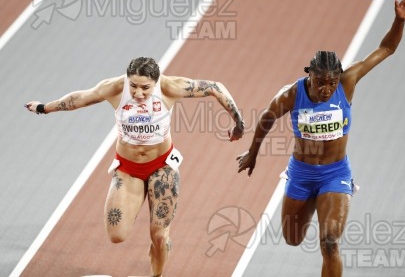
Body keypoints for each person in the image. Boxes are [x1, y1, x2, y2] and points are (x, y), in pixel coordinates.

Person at [237, 0, 405, 276]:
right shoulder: (293, 94)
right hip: (301, 172)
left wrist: (399, 19)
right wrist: (252, 153)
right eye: (320, 82)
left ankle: (325, 200)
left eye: (331, 83)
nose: (326, 89)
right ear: (309, 75)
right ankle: (311, 198)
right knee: (292, 238)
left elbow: (386, 49)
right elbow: (266, 119)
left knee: (330, 243)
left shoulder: (347, 82)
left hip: (335, 173)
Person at [25, 57, 244, 277]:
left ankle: (156, 272)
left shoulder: (170, 87)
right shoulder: (115, 88)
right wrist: (44, 108)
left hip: (162, 168)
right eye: (134, 86)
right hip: (128, 169)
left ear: (156, 83)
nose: (138, 94)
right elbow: (79, 98)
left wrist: (238, 123)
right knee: (116, 234)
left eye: (145, 88)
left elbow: (216, 88)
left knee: (158, 236)